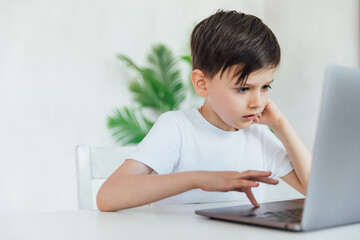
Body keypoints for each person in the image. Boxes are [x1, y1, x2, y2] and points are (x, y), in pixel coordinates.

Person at [96, 10, 312, 212]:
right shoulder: (177, 128)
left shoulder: (258, 135)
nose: (258, 102)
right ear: (202, 84)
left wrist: (280, 125)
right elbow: (107, 197)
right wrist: (199, 179)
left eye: (265, 87)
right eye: (243, 88)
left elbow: (314, 192)